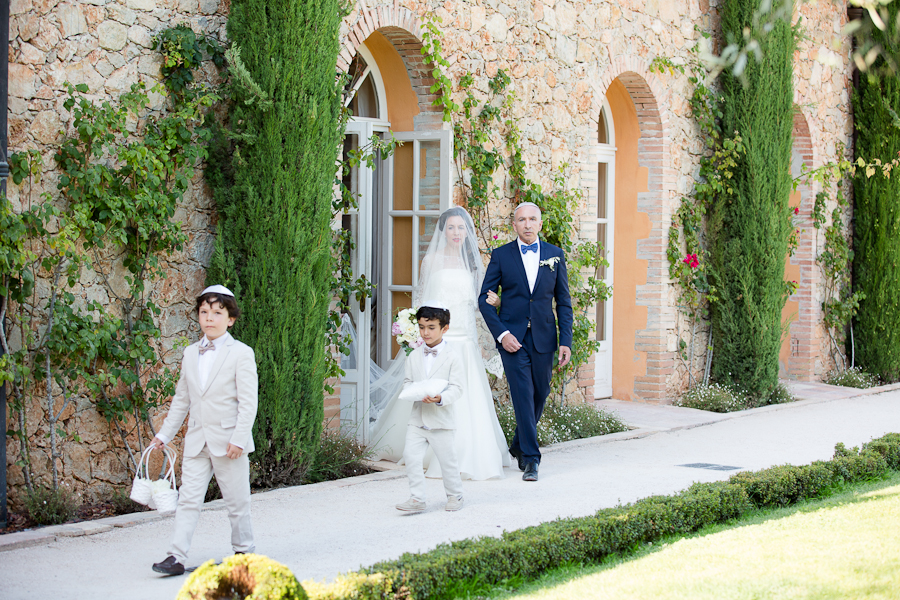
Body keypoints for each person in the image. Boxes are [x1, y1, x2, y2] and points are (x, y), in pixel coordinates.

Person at [370, 206, 510, 480]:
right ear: (443, 231)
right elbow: (422, 299)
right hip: (439, 342)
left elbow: (480, 305)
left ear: (466, 231)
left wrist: (496, 305)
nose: (456, 233)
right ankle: (425, 450)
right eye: (451, 228)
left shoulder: (473, 264)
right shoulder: (430, 260)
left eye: (461, 228)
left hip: (465, 343)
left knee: (466, 400)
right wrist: (419, 332)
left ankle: (466, 452)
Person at [150, 285, 259, 576]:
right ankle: (176, 556)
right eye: (204, 312)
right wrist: (164, 434)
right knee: (188, 500)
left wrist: (238, 439)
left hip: (228, 442)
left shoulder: (241, 354)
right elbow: (182, 399)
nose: (209, 318)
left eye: (217, 313)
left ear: (230, 319)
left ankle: (244, 552)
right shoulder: (189, 353)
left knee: (237, 501)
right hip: (197, 441)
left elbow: (248, 403)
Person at [478, 202, 573, 482]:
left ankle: (519, 443)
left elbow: (564, 302)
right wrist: (502, 334)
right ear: (514, 224)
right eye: (522, 220)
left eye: (533, 219)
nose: (528, 224)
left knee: (539, 393)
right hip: (512, 339)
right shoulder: (501, 255)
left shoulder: (555, 256)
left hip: (544, 337)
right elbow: (484, 299)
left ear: (540, 224)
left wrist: (565, 339)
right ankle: (531, 459)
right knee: (522, 393)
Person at [395, 303, 465, 512]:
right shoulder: (413, 355)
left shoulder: (453, 356)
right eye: (421, 327)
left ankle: (455, 495)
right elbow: (408, 382)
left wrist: (440, 398)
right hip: (417, 419)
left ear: (445, 329)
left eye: (431, 327)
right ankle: (417, 499)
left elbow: (457, 388)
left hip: (441, 420)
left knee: (448, 461)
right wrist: (415, 392)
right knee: (411, 456)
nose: (425, 332)